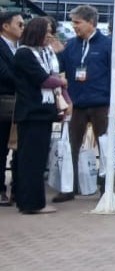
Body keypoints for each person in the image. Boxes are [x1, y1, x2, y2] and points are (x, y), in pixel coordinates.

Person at [55, 5, 115, 203]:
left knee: (104, 146)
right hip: (76, 104)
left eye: (77, 22)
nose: (74, 26)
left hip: (101, 104)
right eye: (73, 22)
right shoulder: (70, 45)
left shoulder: (108, 45)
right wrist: (57, 53)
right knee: (71, 146)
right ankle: (69, 187)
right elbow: (59, 67)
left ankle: (106, 186)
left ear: (91, 22)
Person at [11, 16, 68, 214]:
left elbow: (56, 74)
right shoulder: (24, 54)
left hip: (44, 112)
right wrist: (61, 82)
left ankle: (30, 200)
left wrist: (64, 98)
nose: (50, 36)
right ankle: (31, 203)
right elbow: (42, 79)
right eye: (47, 32)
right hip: (31, 113)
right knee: (31, 160)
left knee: (38, 159)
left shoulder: (46, 53)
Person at [0, 10, 24, 207]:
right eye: (19, 24)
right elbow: (5, 74)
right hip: (4, 103)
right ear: (6, 26)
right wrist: (29, 80)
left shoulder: (21, 48)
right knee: (1, 148)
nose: (23, 28)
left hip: (21, 104)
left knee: (19, 149)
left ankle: (18, 189)